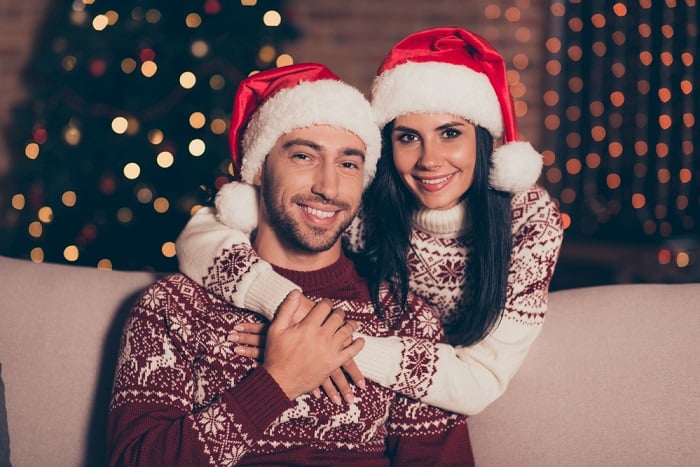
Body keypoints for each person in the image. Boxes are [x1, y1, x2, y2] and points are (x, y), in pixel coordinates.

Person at [176, 27, 564, 415]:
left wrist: (324, 347)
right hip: (388, 392)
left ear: (483, 140)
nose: (429, 159)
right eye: (408, 137)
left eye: (450, 133)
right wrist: (296, 322)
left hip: (449, 397)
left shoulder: (528, 219)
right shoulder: (363, 195)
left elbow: (479, 381)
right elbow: (199, 237)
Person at [108, 63, 472, 466]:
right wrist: (278, 380)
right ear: (260, 167)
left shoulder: (403, 317)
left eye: (348, 164)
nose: (328, 187)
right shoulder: (173, 306)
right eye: (303, 156)